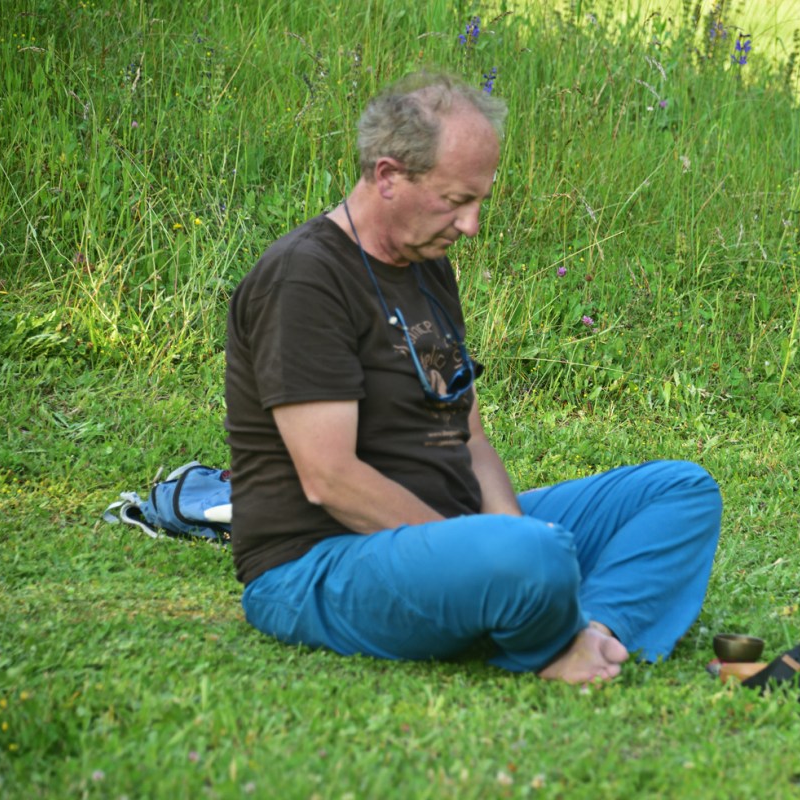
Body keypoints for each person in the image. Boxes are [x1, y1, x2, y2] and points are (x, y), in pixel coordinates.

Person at [224, 71, 722, 683]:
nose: (471, 226)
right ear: (388, 176)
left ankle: (590, 632)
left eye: (479, 201)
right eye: (456, 200)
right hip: (317, 565)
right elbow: (331, 479)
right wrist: (478, 555)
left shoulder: (427, 266)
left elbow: (469, 434)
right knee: (529, 554)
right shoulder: (305, 279)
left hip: (453, 537)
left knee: (680, 491)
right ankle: (543, 626)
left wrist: (504, 535)